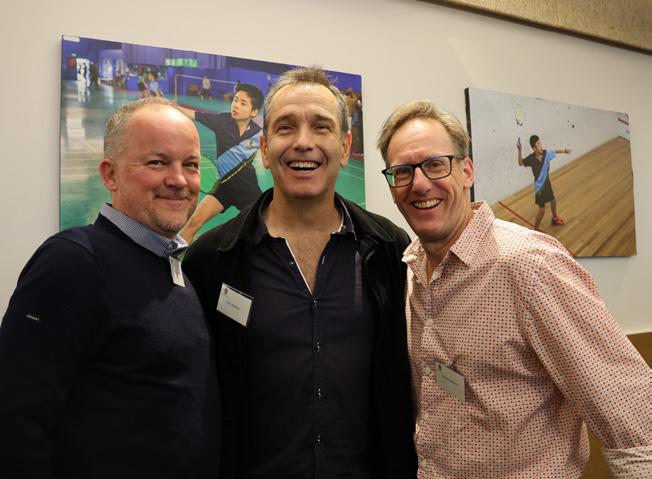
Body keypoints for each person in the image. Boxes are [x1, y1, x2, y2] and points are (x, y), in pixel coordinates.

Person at [376, 99, 651, 479]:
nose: (419, 184)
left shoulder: (530, 265)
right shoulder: (412, 268)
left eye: (435, 164)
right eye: (403, 172)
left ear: (467, 171)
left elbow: (633, 417)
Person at [183, 66, 417, 479]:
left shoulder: (389, 250)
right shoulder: (211, 259)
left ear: (345, 146)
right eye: (286, 127)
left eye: (321, 127)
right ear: (264, 147)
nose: (303, 142)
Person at [0, 97, 220, 478]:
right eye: (157, 162)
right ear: (110, 174)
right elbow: (16, 419)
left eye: (190, 165)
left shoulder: (172, 269)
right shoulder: (73, 262)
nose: (179, 180)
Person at [177, 82, 265, 244]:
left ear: (254, 112)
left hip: (248, 190)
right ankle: (170, 256)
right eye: (235, 100)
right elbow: (193, 114)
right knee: (195, 221)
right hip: (224, 187)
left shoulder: (258, 134)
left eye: (243, 103)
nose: (236, 105)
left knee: (262, 230)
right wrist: (169, 106)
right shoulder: (221, 121)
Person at [517, 134, 571, 230]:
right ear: (534, 148)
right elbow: (520, 163)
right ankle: (535, 230)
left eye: (540, 143)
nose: (541, 146)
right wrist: (519, 150)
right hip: (540, 188)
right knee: (542, 210)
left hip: (547, 183)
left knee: (553, 201)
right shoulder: (531, 159)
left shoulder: (546, 154)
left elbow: (554, 150)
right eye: (538, 145)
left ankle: (555, 219)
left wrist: (564, 150)